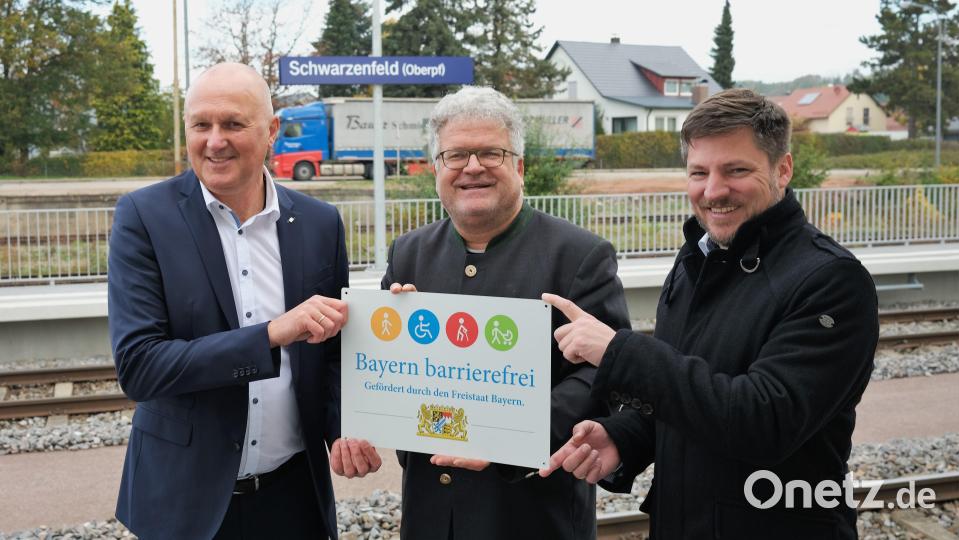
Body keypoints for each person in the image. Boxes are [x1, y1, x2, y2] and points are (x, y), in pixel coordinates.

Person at [539, 89, 878, 539]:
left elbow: (764, 421)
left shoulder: (830, 280)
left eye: (736, 170)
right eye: (699, 172)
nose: (713, 191)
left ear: (783, 169)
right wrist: (625, 437)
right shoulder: (698, 257)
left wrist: (620, 352)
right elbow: (688, 391)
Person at [108, 63, 380, 540]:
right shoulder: (144, 217)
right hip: (185, 502)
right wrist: (272, 335)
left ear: (271, 130)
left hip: (294, 496)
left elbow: (335, 352)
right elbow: (140, 367)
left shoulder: (320, 223)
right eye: (201, 125)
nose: (215, 140)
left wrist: (343, 428)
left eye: (233, 123)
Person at [382, 86, 630, 540]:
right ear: (437, 168)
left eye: (490, 153)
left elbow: (606, 375)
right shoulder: (409, 253)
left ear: (519, 165)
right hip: (433, 516)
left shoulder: (579, 255)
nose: (472, 167)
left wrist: (503, 433)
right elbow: (387, 375)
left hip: (532, 515)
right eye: (455, 155)